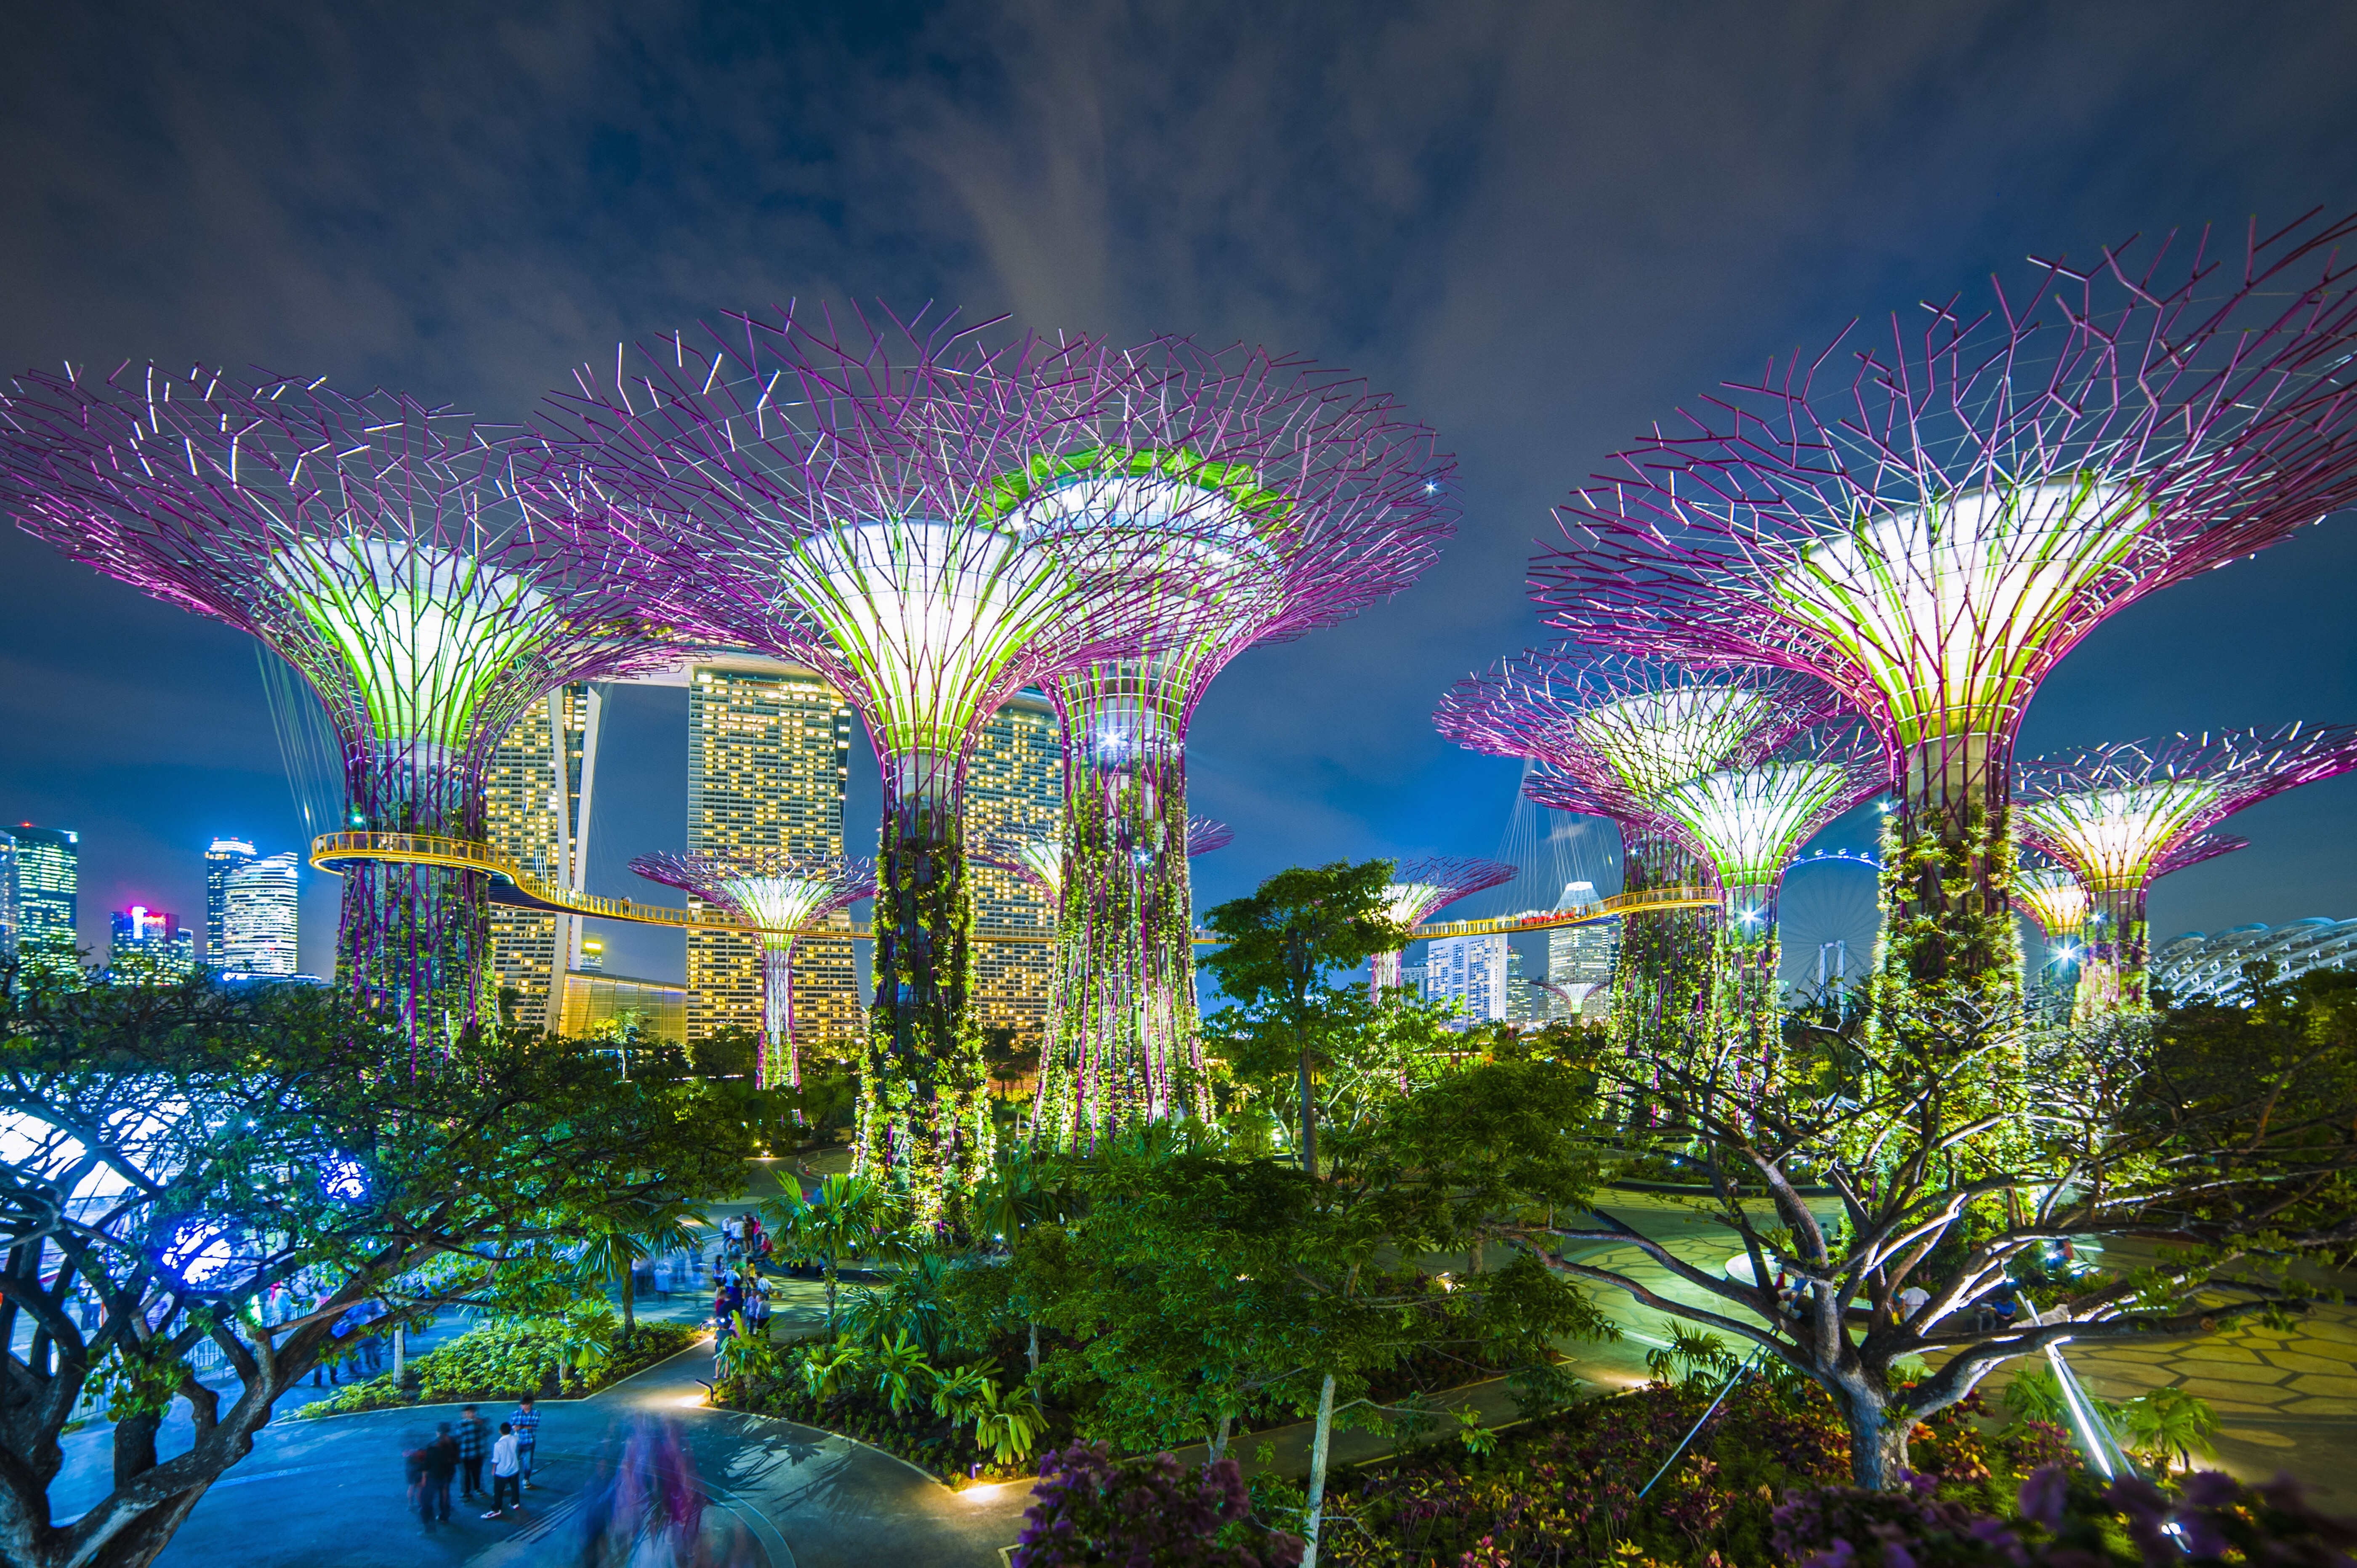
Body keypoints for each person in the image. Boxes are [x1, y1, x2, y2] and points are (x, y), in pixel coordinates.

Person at [483, 1422, 524, 1519]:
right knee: (515, 1487)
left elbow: (496, 1460)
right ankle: (515, 1503)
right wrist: (516, 1431)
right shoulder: (514, 1439)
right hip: (514, 1469)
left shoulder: (498, 1444)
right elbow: (517, 1437)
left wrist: (494, 1469)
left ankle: (496, 1509)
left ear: (500, 1431)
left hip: (502, 1472)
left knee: (498, 1491)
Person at [422, 1422, 459, 1523]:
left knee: (431, 1497)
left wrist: (424, 1476)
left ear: (438, 1433)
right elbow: (457, 1459)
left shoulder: (434, 1445)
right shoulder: (453, 1441)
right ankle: (446, 1514)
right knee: (445, 1492)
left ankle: (438, 1517)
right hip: (449, 1472)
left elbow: (427, 1463)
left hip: (436, 1474)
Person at [455, 1404, 490, 1499]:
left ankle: (474, 1490)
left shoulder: (476, 1423)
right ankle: (469, 1491)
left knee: (475, 1472)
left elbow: (486, 1433)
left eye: (471, 1413)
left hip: (475, 1453)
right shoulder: (462, 1424)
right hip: (469, 1453)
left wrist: (482, 1424)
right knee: (468, 1473)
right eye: (467, 1413)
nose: (469, 1415)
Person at [510, 1395, 540, 1489]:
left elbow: (535, 1426)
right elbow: (512, 1424)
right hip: (518, 1442)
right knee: (514, 1461)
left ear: (531, 1404)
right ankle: (509, 1480)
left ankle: (526, 1479)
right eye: (523, 1404)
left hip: (530, 1441)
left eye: (527, 1404)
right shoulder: (516, 1414)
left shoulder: (536, 1413)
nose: (525, 1406)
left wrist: (521, 1427)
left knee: (528, 1462)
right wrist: (515, 1427)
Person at [404, 1438, 434, 1531]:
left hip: (410, 1471)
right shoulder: (423, 1452)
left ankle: (410, 1505)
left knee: (411, 1486)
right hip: (418, 1471)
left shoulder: (410, 1452)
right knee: (420, 1489)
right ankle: (421, 1505)